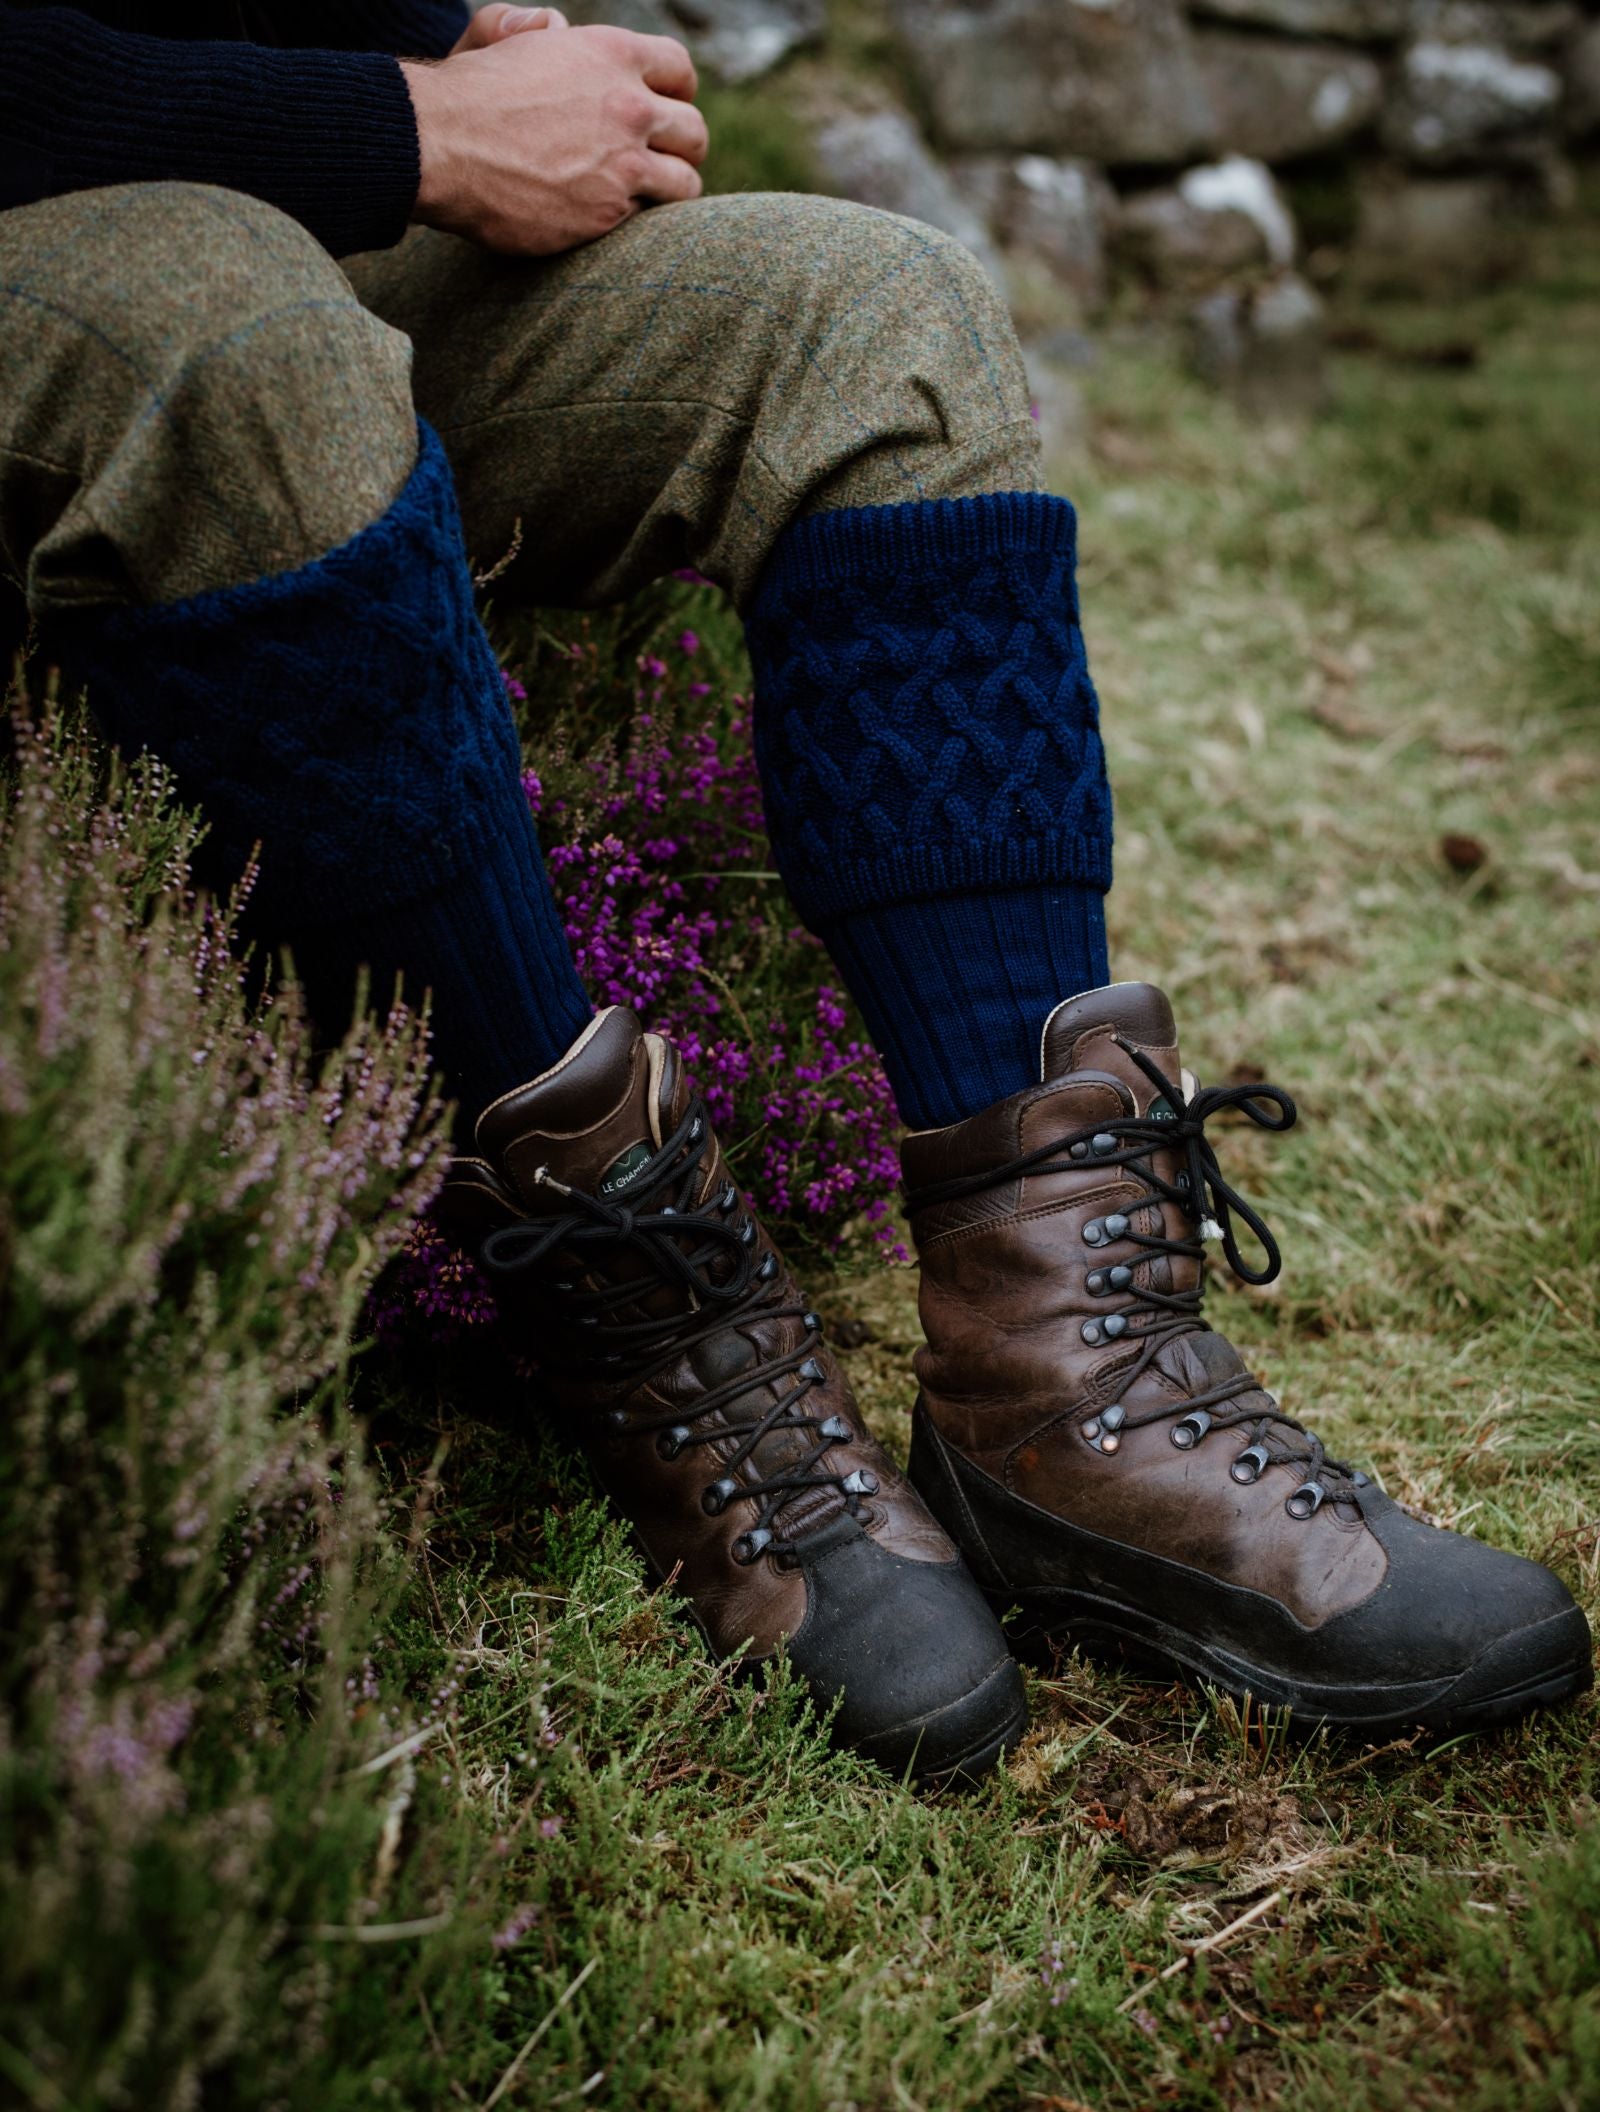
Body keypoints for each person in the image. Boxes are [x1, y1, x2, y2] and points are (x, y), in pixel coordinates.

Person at [2, 0, 1588, 1783]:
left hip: (257, 162)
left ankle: (1062, 1381)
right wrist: (408, 127)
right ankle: (657, 1323)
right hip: (114, 241)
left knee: (878, 316)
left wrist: (433, 35)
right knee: (246, 357)